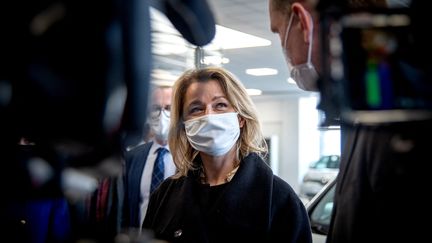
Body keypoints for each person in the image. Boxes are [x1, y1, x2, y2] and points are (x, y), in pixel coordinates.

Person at [268, 0, 430, 242]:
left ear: (302, 22)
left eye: (279, 32)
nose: (283, 45)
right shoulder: (364, 110)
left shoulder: (390, 118)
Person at [142, 66, 312, 242]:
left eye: (220, 105)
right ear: (184, 124)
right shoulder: (165, 195)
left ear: (240, 118)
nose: (209, 116)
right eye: (196, 109)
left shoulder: (279, 198)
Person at [122, 85, 177, 230]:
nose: (162, 114)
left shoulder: (190, 157)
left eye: (169, 108)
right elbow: (125, 207)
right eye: (156, 108)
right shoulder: (132, 157)